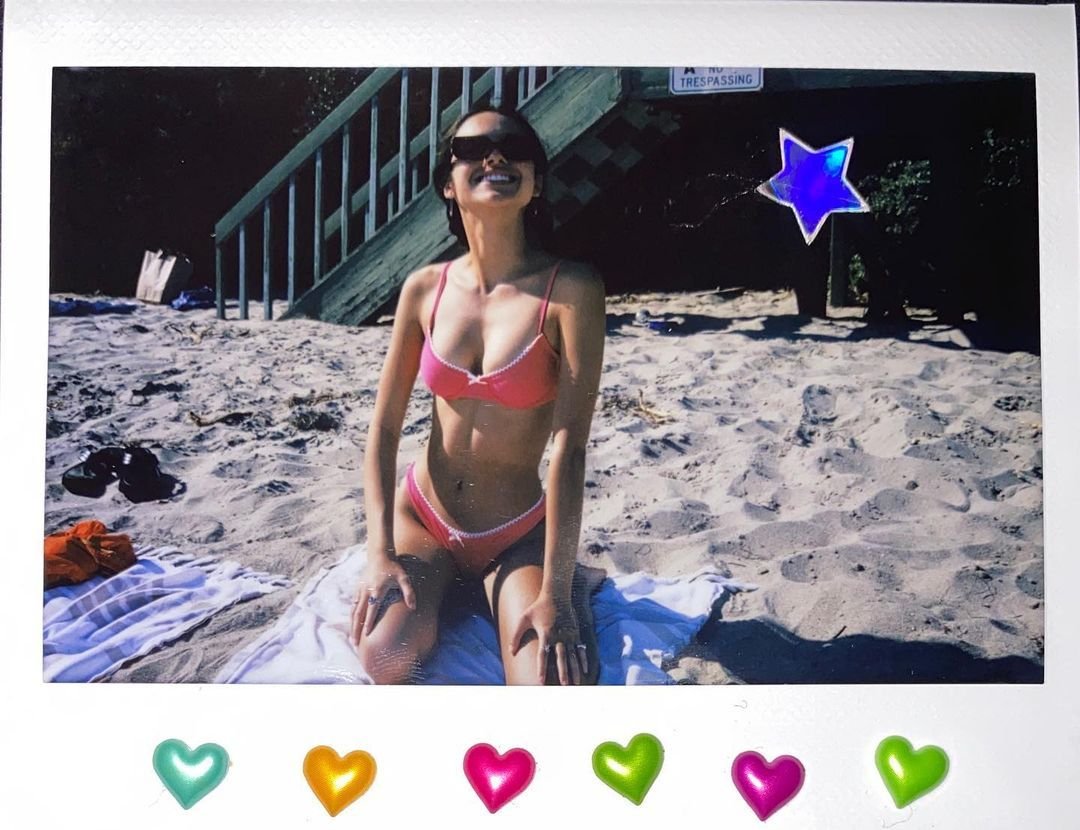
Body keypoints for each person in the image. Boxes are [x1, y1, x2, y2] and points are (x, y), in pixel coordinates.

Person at [349, 104, 606, 685]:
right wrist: (380, 552)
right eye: (471, 150)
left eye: (514, 148)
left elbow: (569, 449)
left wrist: (556, 592)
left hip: (514, 532)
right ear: (448, 182)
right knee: (383, 659)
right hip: (425, 518)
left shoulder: (571, 289)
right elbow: (384, 429)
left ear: (536, 181)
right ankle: (451, 588)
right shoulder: (424, 288)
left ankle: (572, 583)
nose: (494, 157)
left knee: (547, 683)